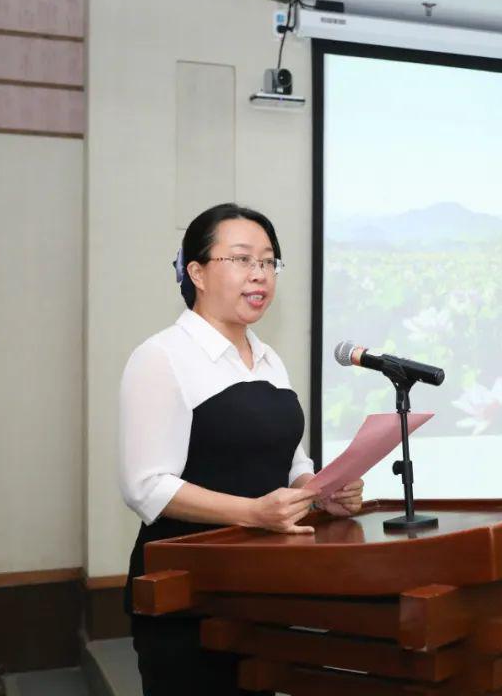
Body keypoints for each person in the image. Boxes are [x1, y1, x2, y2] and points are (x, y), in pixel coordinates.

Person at [118, 203, 364, 695]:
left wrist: (318, 493)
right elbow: (145, 486)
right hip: (186, 585)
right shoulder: (161, 357)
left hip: (264, 583)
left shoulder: (270, 359)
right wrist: (252, 512)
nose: (260, 275)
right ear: (198, 272)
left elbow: (289, 461)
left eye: (269, 262)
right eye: (242, 259)